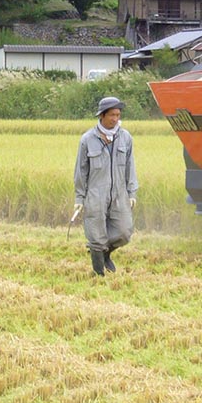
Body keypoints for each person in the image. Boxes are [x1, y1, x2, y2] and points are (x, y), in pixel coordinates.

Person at [74, 96, 139, 276]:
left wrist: (131, 192)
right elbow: (81, 170)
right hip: (95, 194)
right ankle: (99, 274)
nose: (115, 119)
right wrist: (79, 197)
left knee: (124, 232)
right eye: (112, 115)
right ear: (102, 115)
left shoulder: (125, 138)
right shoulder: (87, 139)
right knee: (96, 236)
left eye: (118, 115)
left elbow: (130, 166)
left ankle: (105, 253)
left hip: (119, 194)